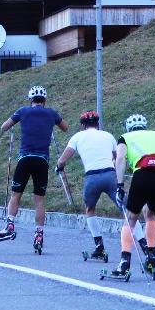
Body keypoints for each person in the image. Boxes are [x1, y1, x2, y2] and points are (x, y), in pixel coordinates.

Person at [109, 113, 155, 278]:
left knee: (130, 217)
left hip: (143, 174)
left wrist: (120, 185)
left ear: (129, 128)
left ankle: (124, 262)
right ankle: (151, 255)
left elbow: (120, 158)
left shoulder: (124, 137)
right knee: (150, 213)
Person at [0, 85, 69, 252]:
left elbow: (4, 127)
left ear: (30, 100)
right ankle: (39, 234)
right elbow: (65, 128)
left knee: (16, 194)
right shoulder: (51, 113)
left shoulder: (23, 111)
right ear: (44, 100)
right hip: (42, 160)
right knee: (39, 200)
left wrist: (17, 122)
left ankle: (10, 224)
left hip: (25, 158)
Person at [55, 111, 120, 261]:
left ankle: (99, 246)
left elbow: (63, 160)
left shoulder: (77, 137)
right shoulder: (108, 135)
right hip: (110, 175)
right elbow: (118, 158)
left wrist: (59, 167)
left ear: (83, 125)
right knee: (126, 209)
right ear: (97, 124)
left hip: (92, 178)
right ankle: (145, 246)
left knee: (90, 209)